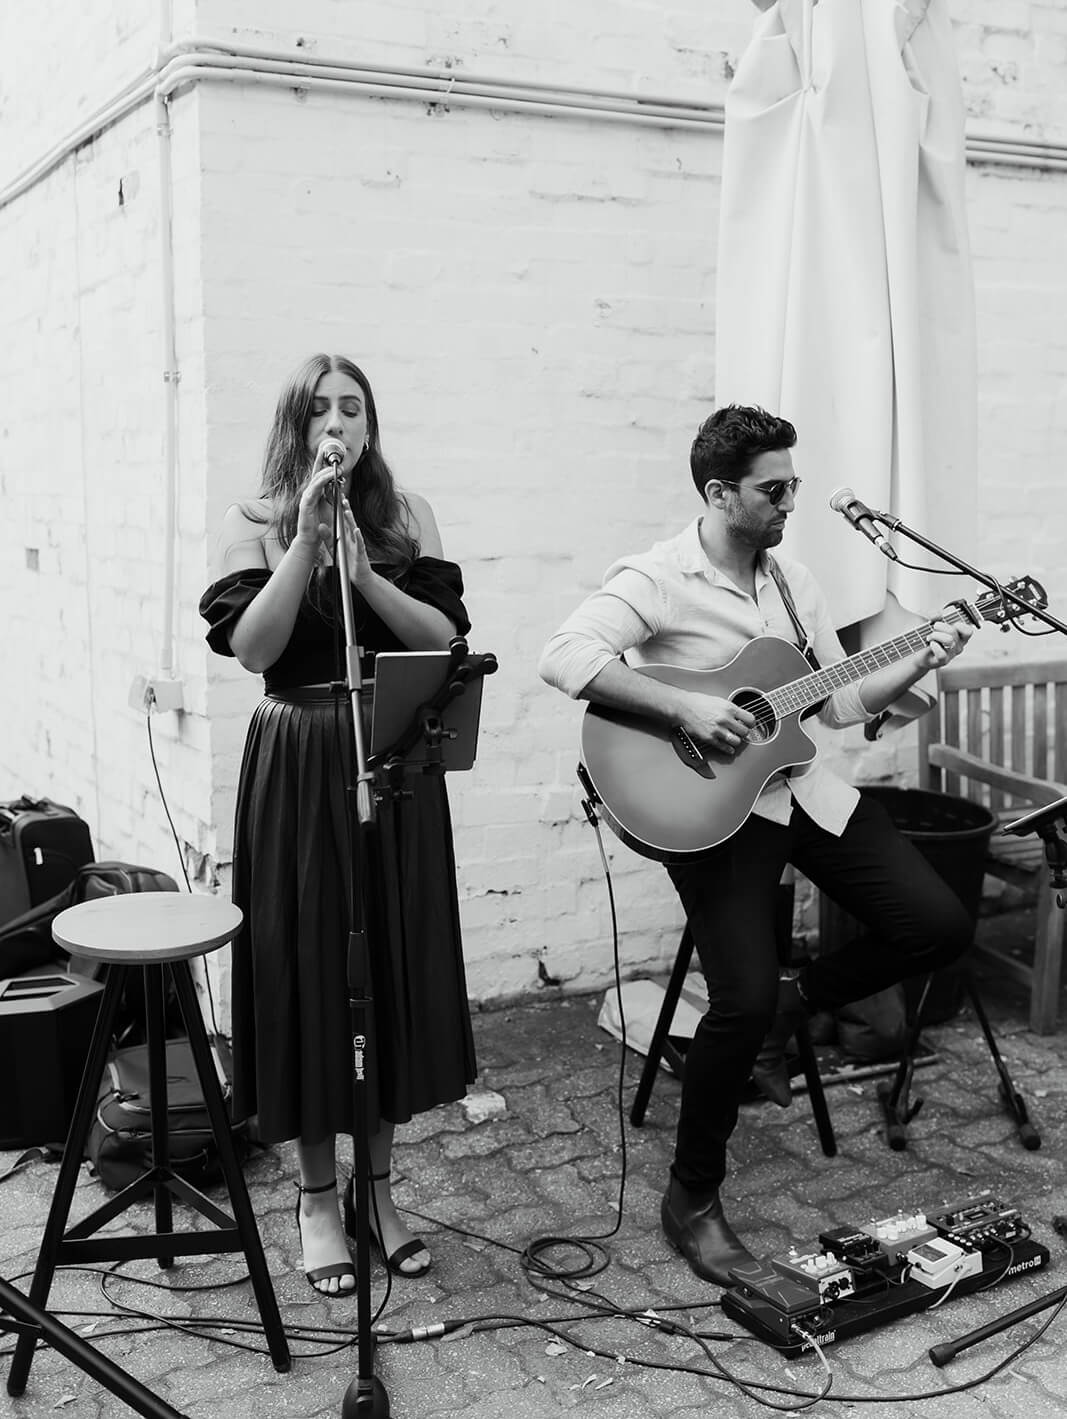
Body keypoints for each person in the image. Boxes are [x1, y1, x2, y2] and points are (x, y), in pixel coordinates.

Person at [538, 404, 975, 1287]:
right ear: (718, 492)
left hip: (798, 786)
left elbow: (833, 702)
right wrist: (691, 708)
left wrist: (924, 654)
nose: (787, 504)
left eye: (793, 487)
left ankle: (793, 1001)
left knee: (936, 923)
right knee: (731, 1001)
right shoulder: (659, 577)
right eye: (773, 490)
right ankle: (691, 1196)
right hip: (711, 813)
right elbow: (565, 654)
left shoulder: (791, 583)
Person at [200, 353, 476, 1295]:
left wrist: (363, 567)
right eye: (320, 409)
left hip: (390, 754)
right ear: (294, 425)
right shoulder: (251, 521)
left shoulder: (407, 516)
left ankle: (380, 1191)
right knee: (313, 965)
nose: (338, 423)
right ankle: (318, 1198)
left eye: (353, 408)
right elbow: (253, 648)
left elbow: (440, 639)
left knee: (386, 965)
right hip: (300, 754)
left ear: (370, 426)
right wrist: (308, 548)